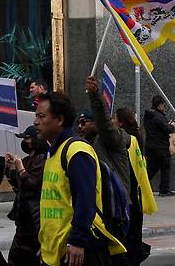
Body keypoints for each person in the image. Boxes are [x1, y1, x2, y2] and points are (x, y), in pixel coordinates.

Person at [34, 91, 125, 266]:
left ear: (59, 120)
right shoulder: (52, 152)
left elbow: (85, 198)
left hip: (80, 250)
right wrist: (48, 244)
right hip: (58, 249)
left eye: (41, 116)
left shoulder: (76, 151)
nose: (35, 121)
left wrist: (77, 240)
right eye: (36, 115)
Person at [113, 107, 157, 266]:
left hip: (129, 198)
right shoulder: (136, 138)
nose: (112, 122)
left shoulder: (126, 141)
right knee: (134, 237)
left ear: (121, 122)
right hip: (136, 196)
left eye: (114, 119)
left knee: (128, 241)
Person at [80, 77, 131, 196]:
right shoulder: (82, 144)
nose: (80, 127)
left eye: (84, 122)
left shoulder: (111, 139)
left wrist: (95, 95)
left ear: (95, 122)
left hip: (114, 203)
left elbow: (104, 123)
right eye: (78, 123)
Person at [4, 126, 47, 266]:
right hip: (23, 219)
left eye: (27, 138)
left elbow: (32, 185)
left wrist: (20, 168)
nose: (25, 141)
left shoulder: (44, 160)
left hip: (36, 219)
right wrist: (11, 168)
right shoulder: (28, 159)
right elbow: (19, 187)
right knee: (16, 257)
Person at [143, 95, 175, 196]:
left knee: (152, 168)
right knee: (165, 168)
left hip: (150, 146)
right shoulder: (158, 116)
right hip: (161, 147)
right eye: (163, 105)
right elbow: (166, 129)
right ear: (160, 104)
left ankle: (141, 186)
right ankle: (164, 190)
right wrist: (172, 126)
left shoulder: (148, 115)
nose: (164, 107)